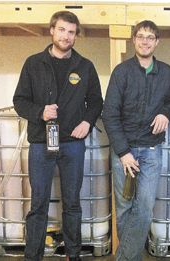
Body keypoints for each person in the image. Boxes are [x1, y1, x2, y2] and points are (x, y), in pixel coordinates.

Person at [13, 11, 103, 261]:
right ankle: (33, 256)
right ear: (52, 30)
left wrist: (87, 121)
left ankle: (73, 255)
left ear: (76, 35)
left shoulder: (85, 66)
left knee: (72, 204)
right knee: (38, 205)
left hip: (73, 145)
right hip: (41, 144)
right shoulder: (33, 64)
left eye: (71, 32)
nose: (66, 36)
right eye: (62, 30)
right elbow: (19, 101)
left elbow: (96, 101)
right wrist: (39, 112)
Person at [102, 20, 170, 261]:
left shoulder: (166, 73)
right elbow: (110, 114)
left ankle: (123, 258)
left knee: (144, 207)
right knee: (124, 207)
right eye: (141, 36)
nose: (145, 41)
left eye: (150, 37)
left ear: (157, 42)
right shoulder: (122, 72)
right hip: (123, 153)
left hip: (151, 150)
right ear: (134, 40)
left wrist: (166, 112)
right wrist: (124, 152)